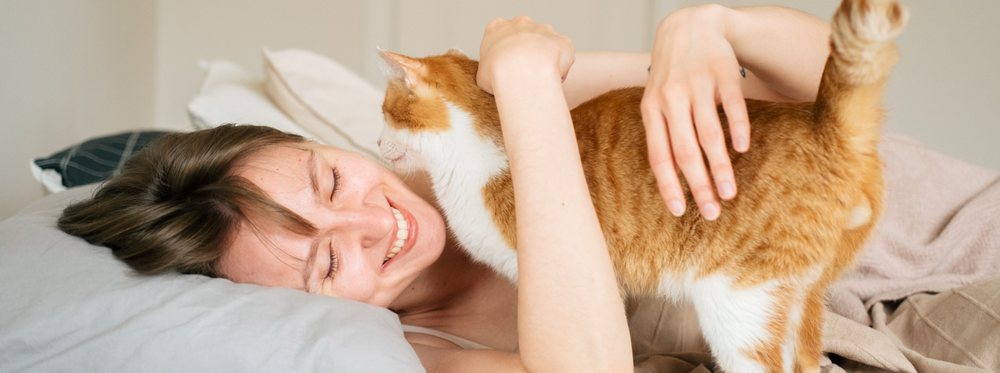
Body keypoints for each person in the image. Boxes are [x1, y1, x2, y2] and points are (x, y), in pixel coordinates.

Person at [58, 4, 830, 372]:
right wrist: (529, 90)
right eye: (328, 264)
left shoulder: (464, 128)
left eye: (330, 178)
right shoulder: (428, 353)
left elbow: (828, 90)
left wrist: (705, 26)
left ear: (321, 142)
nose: (368, 223)